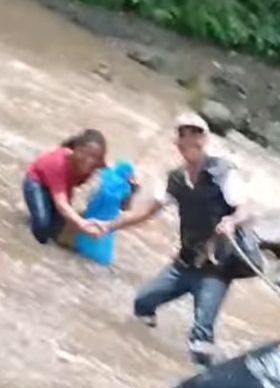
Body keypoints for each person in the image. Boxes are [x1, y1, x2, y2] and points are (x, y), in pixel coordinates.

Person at [108, 113, 252, 366]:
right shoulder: (174, 179)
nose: (191, 141)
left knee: (200, 340)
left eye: (196, 135)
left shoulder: (224, 173)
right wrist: (109, 225)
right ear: (178, 143)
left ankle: (202, 382)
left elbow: (246, 209)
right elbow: (145, 213)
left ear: (204, 140)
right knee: (142, 303)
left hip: (216, 268)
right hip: (184, 263)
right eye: (185, 136)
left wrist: (232, 221)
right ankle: (140, 357)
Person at [23, 129, 110, 244]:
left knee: (55, 232)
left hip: (63, 188)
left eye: (95, 157)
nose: (89, 161)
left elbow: (115, 172)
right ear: (76, 149)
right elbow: (61, 204)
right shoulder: (58, 162)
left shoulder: (96, 163)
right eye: (85, 153)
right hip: (37, 183)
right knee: (42, 232)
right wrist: (82, 223)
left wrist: (129, 184)